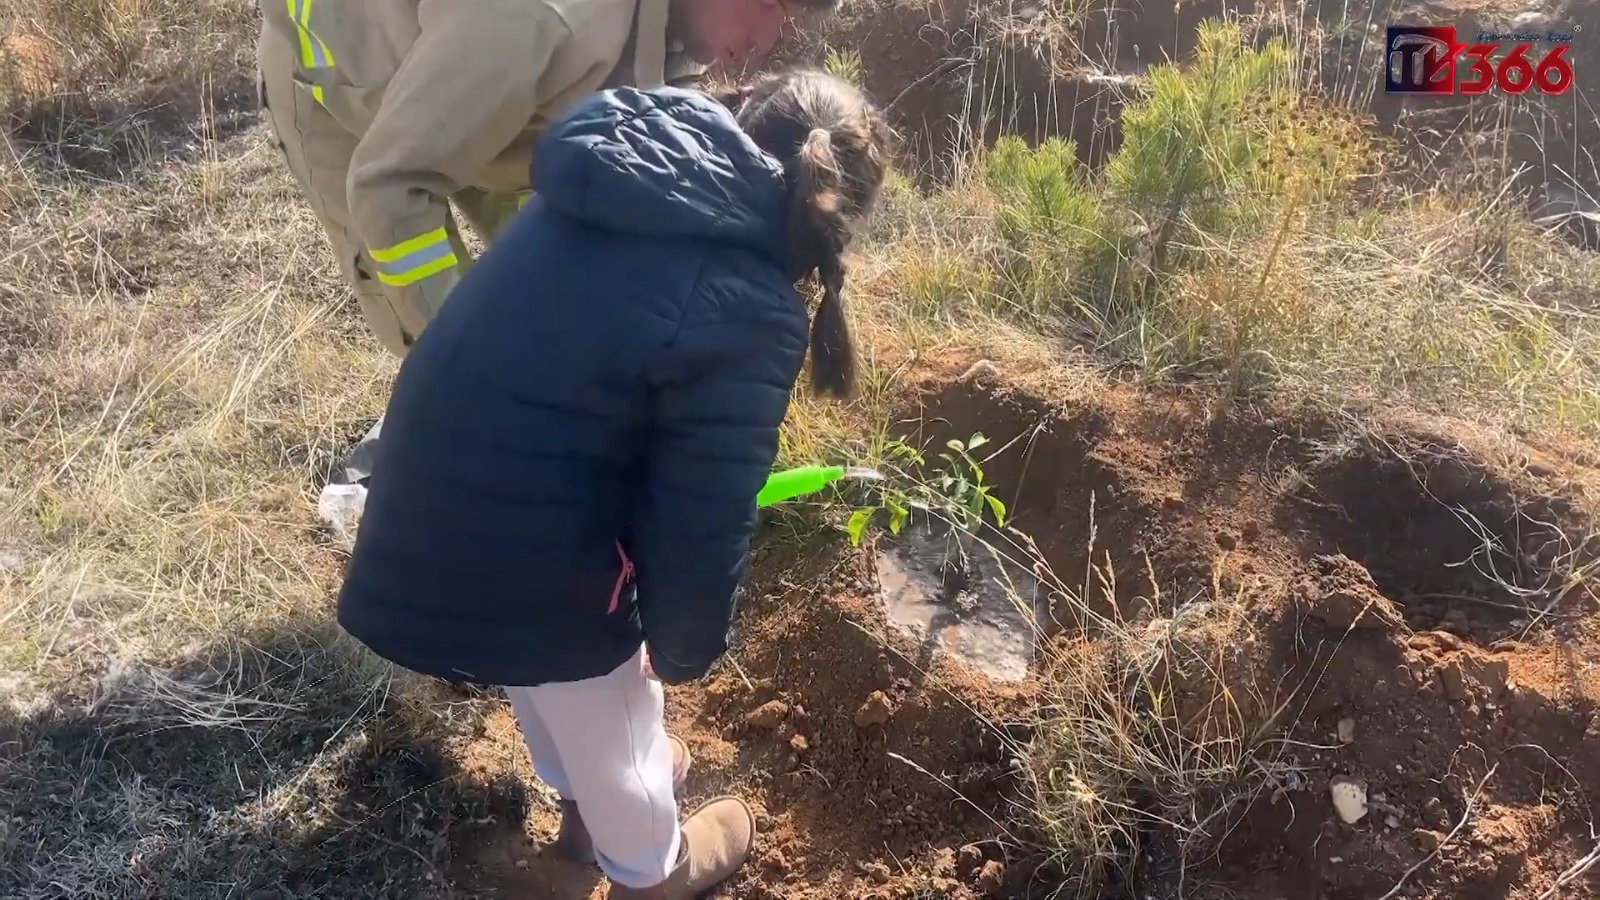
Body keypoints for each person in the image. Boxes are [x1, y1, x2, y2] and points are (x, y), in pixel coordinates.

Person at [335, 70, 892, 899]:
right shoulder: (746, 308)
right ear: (830, 218)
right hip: (532, 551)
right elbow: (700, 521)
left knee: (543, 669)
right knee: (611, 689)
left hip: (424, 491)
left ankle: (579, 788)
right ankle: (649, 865)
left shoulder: (619, 176)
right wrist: (677, 648)